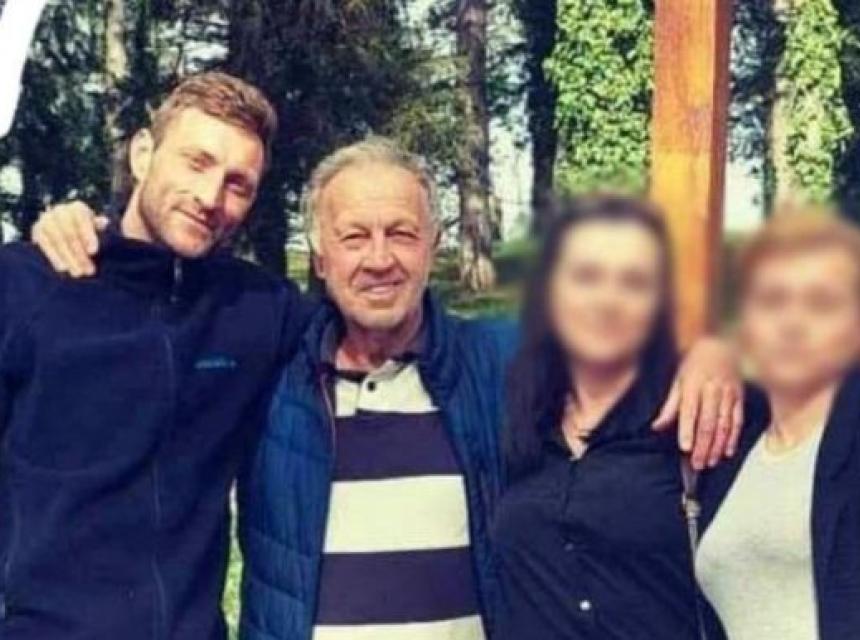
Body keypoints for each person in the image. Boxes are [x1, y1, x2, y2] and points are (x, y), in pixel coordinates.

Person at [34, 138, 744, 640]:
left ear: (432, 245)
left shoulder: (495, 357)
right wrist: (89, 233)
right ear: (320, 256)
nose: (379, 259)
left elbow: (619, 322)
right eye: (354, 237)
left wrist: (709, 345)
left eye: (401, 233)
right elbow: (158, 319)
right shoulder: (268, 364)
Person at [0, 72, 309, 639]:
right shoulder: (26, 286)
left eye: (238, 185)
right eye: (196, 162)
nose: (211, 198)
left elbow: (372, 331)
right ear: (143, 154)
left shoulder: (259, 310)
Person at [492, 195, 705, 640]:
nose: (608, 300)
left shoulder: (693, 415)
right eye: (587, 277)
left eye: (633, 281)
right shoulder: (516, 415)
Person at [697, 212, 860, 640]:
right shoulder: (730, 451)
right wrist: (705, 352)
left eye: (821, 303)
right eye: (772, 301)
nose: (792, 323)